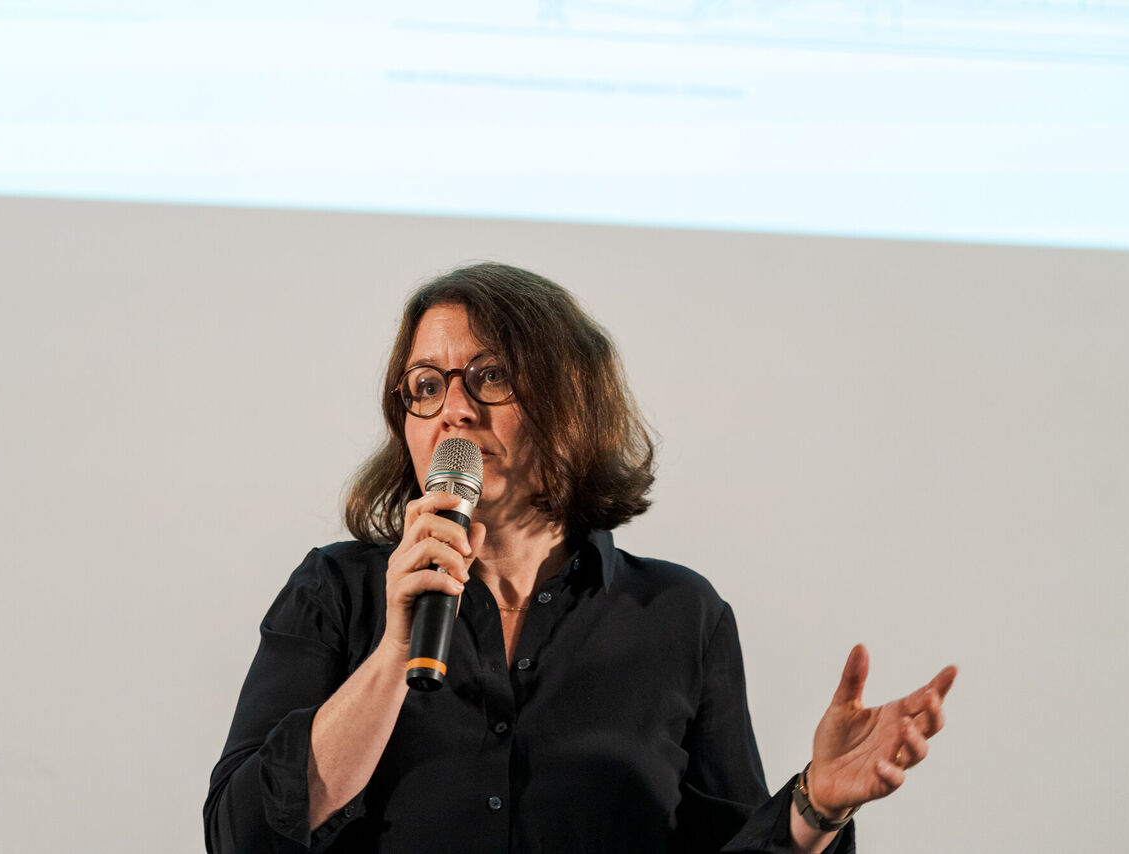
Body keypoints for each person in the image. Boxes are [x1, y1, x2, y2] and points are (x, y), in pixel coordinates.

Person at [204, 262, 956, 853]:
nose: (455, 409)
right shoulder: (336, 593)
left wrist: (814, 806)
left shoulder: (680, 618)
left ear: (571, 403)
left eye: (490, 376)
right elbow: (240, 837)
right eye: (425, 387)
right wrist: (395, 651)